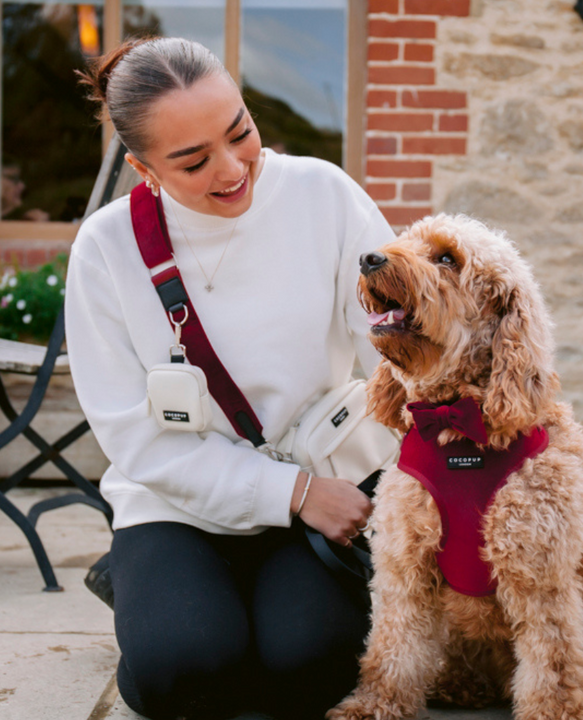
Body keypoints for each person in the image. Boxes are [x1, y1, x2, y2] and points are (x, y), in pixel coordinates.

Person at [67, 36, 396, 720]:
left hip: (323, 478)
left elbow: (398, 352)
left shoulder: (325, 197)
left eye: (239, 132)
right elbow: (137, 440)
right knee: (180, 671)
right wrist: (291, 492)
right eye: (192, 162)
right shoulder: (104, 249)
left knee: (316, 665)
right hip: (177, 504)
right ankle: (160, 591)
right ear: (143, 167)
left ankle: (231, 608)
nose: (231, 169)